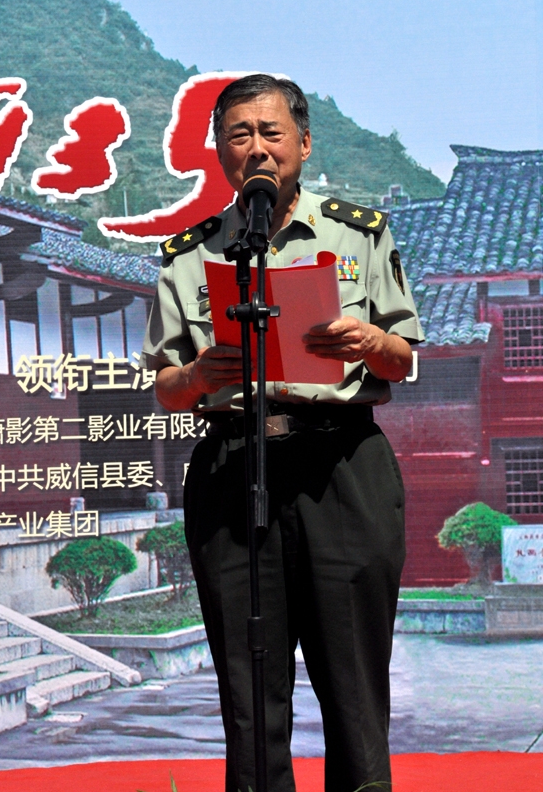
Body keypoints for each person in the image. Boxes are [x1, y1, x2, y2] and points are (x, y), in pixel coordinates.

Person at [142, 74, 424, 792]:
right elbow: (167, 387)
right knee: (249, 686)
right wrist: (199, 372)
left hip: (341, 464)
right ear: (220, 150)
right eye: (240, 135)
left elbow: (403, 359)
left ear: (303, 142)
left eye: (272, 132)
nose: (258, 148)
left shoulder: (358, 232)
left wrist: (369, 340)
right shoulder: (190, 253)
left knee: (353, 684)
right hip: (234, 464)